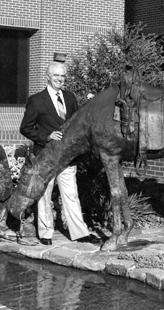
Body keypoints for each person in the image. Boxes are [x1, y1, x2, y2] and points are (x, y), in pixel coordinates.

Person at [20, 61, 100, 245]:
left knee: (71, 194)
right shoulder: (37, 100)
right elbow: (25, 128)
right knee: (44, 196)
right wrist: (46, 136)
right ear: (48, 76)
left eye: (63, 76)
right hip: (46, 156)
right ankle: (46, 233)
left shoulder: (70, 98)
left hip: (67, 156)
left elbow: (76, 124)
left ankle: (79, 233)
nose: (60, 79)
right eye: (56, 75)